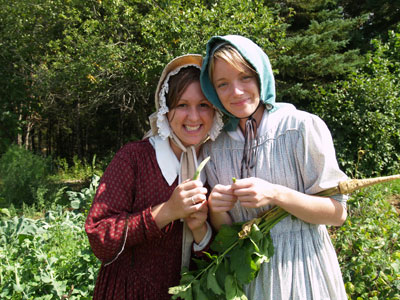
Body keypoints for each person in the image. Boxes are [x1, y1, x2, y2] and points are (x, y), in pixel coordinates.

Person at [200, 35, 349, 300]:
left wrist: (276, 194)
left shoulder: (300, 128)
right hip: (251, 281)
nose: (236, 91)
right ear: (213, 91)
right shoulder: (214, 148)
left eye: (245, 77)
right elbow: (228, 233)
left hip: (304, 272)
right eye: (223, 84)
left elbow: (336, 213)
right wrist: (216, 208)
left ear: (261, 75)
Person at [85, 54, 223, 300]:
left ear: (215, 111)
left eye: (204, 105)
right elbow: (99, 236)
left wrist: (201, 231)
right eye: (182, 105)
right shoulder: (135, 159)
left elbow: (219, 258)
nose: (194, 116)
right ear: (166, 109)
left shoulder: (217, 167)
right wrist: (167, 212)